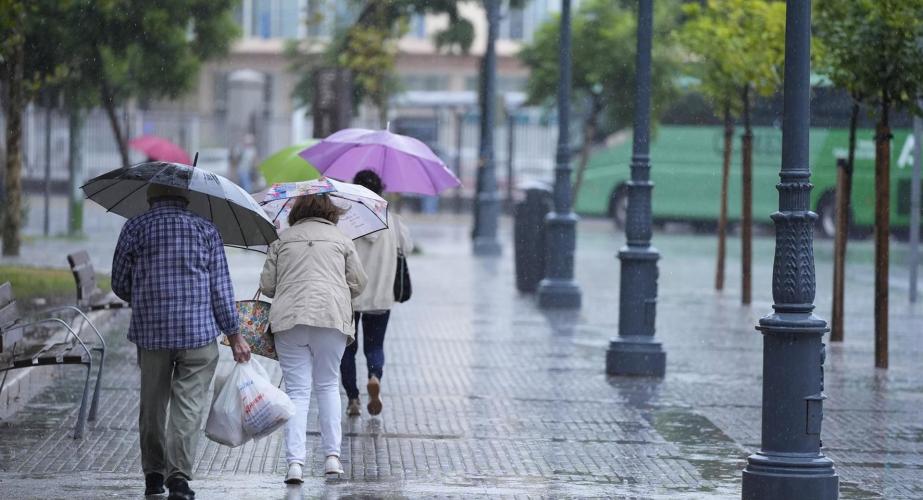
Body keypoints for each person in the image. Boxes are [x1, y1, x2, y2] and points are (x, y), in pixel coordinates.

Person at [111, 183, 251, 500]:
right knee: (187, 408)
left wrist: (147, 294)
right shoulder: (206, 229)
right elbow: (221, 290)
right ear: (187, 197)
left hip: (152, 334)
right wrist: (234, 335)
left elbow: (119, 283)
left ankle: (153, 476)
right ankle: (178, 479)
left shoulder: (135, 227)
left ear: (151, 195)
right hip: (198, 335)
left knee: (152, 406)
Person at [259, 194, 367, 484]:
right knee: (328, 385)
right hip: (330, 318)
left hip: (289, 320)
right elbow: (358, 283)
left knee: (297, 392)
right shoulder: (342, 240)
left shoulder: (281, 240)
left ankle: (295, 464)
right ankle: (332, 458)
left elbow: (267, 286)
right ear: (331, 212)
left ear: (296, 212)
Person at [340, 170, 414, 417]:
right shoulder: (392, 221)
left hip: (349, 296)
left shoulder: (347, 221)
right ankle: (374, 376)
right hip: (381, 296)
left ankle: (352, 398)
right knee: (375, 346)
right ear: (380, 191)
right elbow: (408, 248)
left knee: (347, 349)